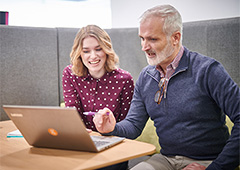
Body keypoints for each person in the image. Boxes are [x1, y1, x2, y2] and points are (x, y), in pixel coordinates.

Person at [93, 5, 240, 170]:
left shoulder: (208, 70)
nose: (144, 47)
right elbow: (134, 125)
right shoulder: (145, 77)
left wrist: (216, 167)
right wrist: (112, 128)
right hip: (166, 159)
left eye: (152, 39)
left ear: (175, 37)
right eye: (142, 38)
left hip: (209, 161)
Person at [62, 25, 134, 131]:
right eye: (86, 51)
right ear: (79, 54)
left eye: (98, 49)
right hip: (82, 138)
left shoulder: (125, 80)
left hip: (113, 139)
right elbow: (72, 111)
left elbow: (126, 124)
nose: (93, 56)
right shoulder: (70, 74)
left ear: (106, 49)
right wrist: (77, 130)